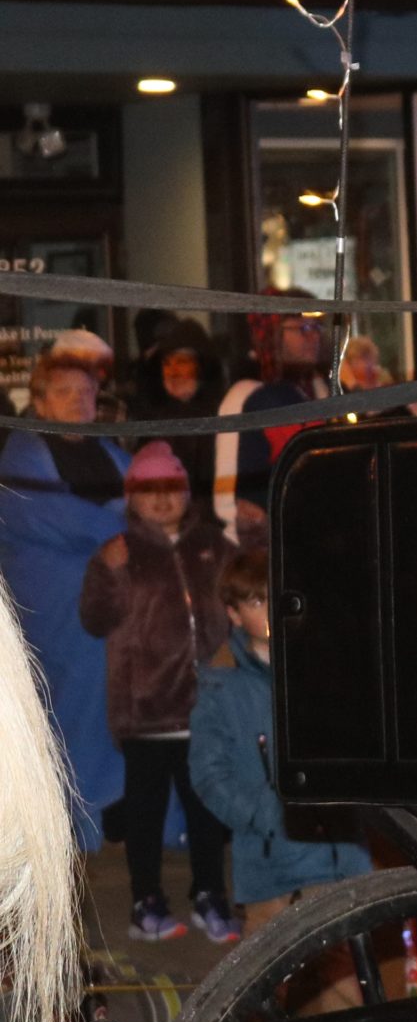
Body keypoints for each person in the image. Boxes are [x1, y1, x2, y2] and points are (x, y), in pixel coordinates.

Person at [190, 547, 368, 997]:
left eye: (277, 599)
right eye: (255, 601)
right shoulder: (220, 686)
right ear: (232, 613)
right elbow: (210, 777)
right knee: (265, 1010)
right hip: (274, 871)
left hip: (343, 862)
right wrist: (272, 815)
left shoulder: (331, 671)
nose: (269, 611)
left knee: (350, 1012)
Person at [78, 441, 238, 941]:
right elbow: (93, 619)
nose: (163, 500)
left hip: (204, 706)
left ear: (188, 493)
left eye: (172, 488)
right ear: (131, 498)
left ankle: (209, 893)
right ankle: (146, 900)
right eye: (150, 490)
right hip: (146, 709)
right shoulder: (121, 550)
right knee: (144, 813)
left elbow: (243, 593)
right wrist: (110, 572)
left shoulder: (212, 544)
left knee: (206, 806)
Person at [0, 346, 131, 846]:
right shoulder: (24, 451)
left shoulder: (112, 451)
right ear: (40, 401)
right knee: (71, 714)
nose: (78, 401)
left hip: (108, 604)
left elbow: (148, 500)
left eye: (87, 391)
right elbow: (45, 516)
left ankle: (125, 825)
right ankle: (76, 832)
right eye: (64, 392)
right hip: (59, 608)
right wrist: (117, 535)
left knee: (115, 709)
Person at [212, 302, 329, 545]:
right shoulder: (248, 395)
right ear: (272, 334)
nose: (313, 336)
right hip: (267, 543)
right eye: (302, 327)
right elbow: (229, 492)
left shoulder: (320, 389)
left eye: (317, 326)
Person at [133, 319, 221, 520]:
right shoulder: (154, 420)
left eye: (181, 362)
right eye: (167, 363)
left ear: (201, 366)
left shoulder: (224, 415)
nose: (172, 372)